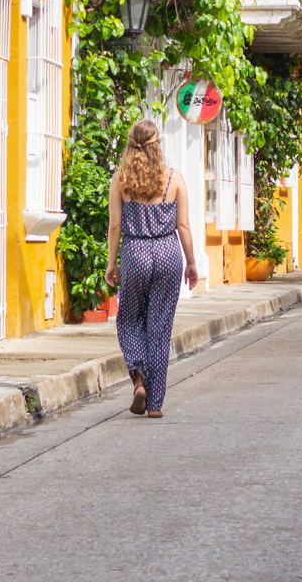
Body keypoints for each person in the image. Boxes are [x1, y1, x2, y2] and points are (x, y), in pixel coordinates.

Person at [105, 120, 197, 419]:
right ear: (158, 144)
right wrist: (192, 263)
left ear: (130, 145)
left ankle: (140, 381)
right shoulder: (174, 179)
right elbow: (183, 225)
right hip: (169, 254)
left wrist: (111, 263)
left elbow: (115, 225)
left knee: (129, 320)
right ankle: (155, 404)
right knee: (159, 328)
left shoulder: (121, 180)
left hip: (135, 253)